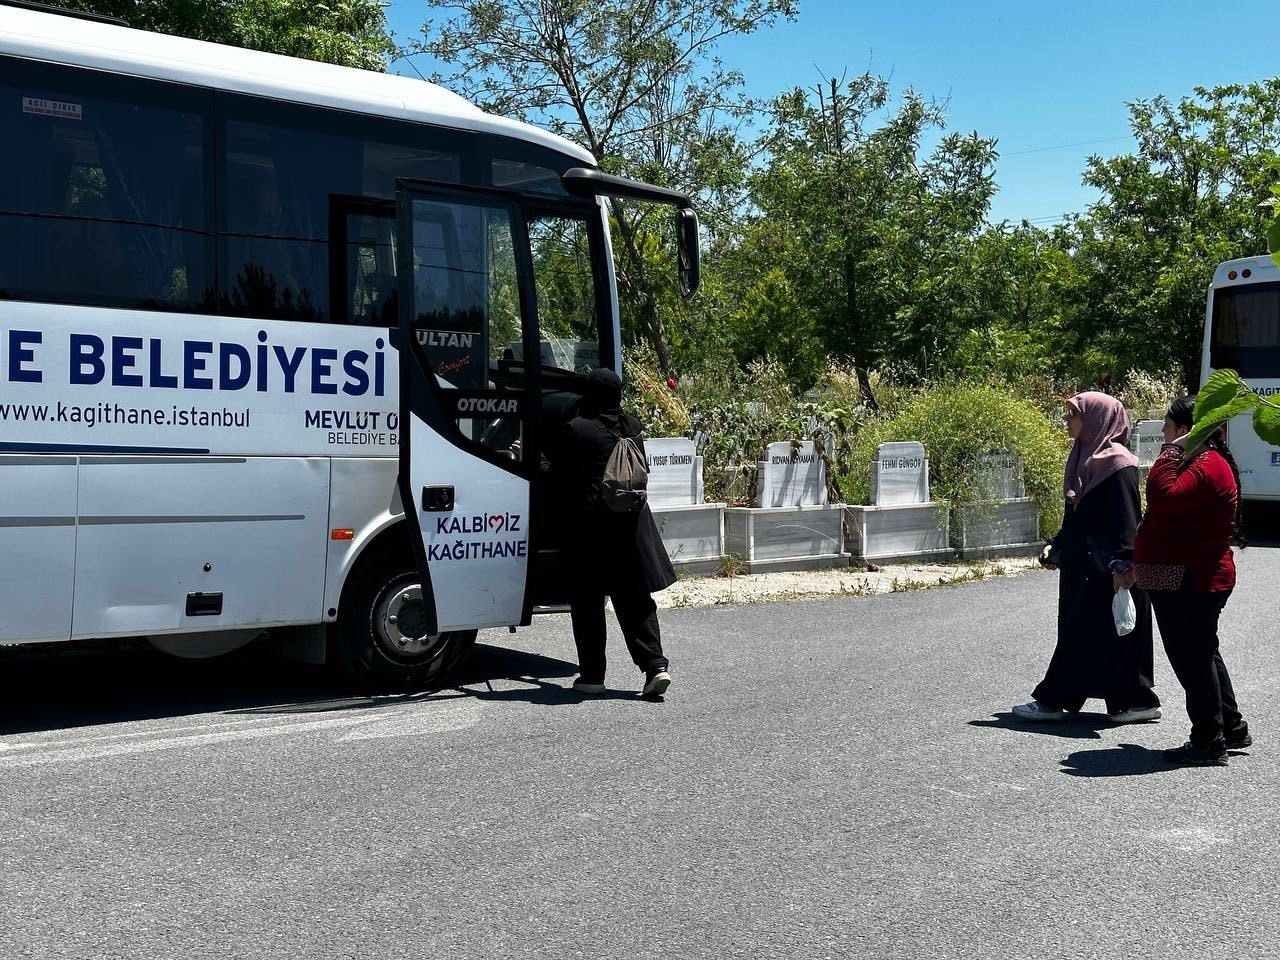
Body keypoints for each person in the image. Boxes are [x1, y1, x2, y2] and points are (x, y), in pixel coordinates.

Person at [1013, 391, 1161, 723]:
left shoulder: (1119, 464)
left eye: (1072, 415)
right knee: (1086, 634)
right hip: (1083, 565)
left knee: (1094, 634)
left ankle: (1054, 700)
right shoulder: (1082, 457)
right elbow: (1076, 518)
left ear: (1096, 418)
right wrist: (1057, 545)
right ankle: (1133, 700)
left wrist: (1124, 564)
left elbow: (1127, 520)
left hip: (1107, 568)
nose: (1067, 421)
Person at [1129, 396, 1250, 767]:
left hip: (1190, 578)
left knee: (1192, 659)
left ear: (1184, 430)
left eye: (1167, 427)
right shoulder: (1205, 461)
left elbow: (1164, 497)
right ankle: (1230, 726)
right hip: (1189, 576)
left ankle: (1207, 740)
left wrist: (1169, 453)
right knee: (1203, 653)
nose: (1163, 434)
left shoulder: (1204, 462)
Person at [549, 368, 676, 697]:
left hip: (592, 528)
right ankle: (655, 667)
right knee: (634, 598)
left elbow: (560, 476)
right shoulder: (632, 427)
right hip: (631, 526)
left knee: (588, 601)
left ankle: (592, 676)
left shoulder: (578, 430)